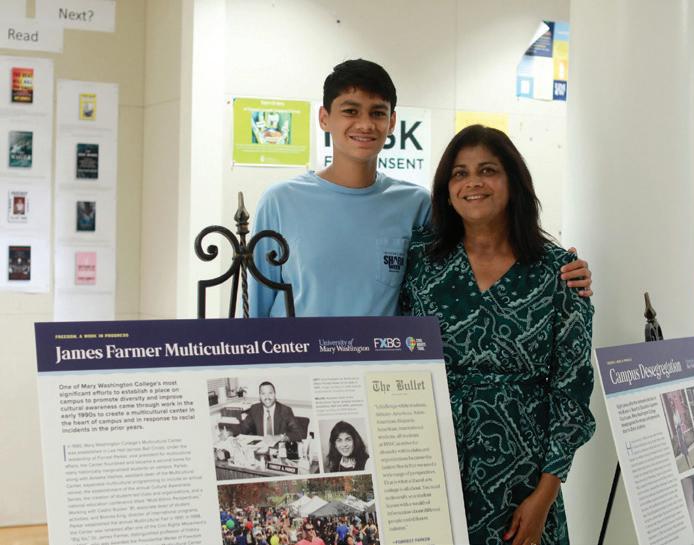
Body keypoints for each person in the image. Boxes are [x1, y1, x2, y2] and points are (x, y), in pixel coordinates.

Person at [248, 59, 592, 318]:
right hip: (299, 373)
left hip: (379, 377)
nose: (365, 124)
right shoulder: (281, 202)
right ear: (325, 118)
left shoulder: (416, 205)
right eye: (350, 111)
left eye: (377, 113)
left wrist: (558, 266)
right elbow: (256, 310)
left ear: (391, 122)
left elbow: (482, 249)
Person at [401, 125, 594, 545]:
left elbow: (572, 393)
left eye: (487, 170)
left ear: (513, 183)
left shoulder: (558, 272)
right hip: (430, 467)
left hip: (521, 478)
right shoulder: (421, 261)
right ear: (446, 190)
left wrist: (545, 495)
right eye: (460, 173)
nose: (473, 182)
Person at [239, 381, 305, 444]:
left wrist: (279, 437)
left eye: (270, 393)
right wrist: (232, 430)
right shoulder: (255, 409)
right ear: (260, 396)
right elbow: (243, 429)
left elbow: (299, 433)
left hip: (279, 448)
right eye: (263, 394)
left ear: (275, 394)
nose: (267, 397)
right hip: (261, 448)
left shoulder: (285, 410)